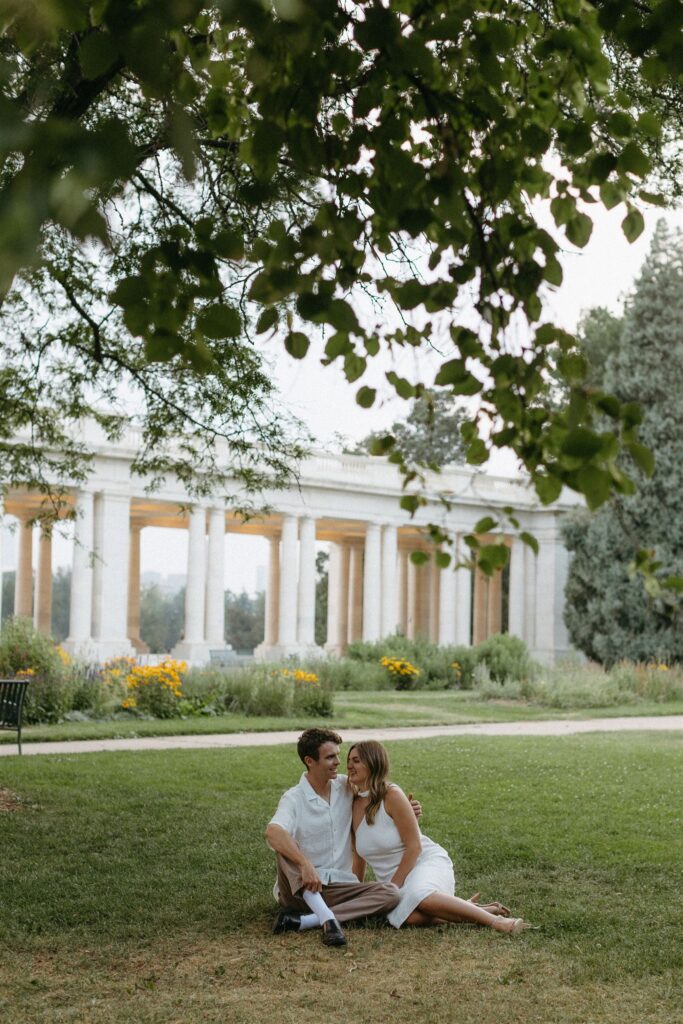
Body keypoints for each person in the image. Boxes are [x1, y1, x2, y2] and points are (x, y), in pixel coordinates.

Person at [348, 740, 532, 934]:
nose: (350, 766)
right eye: (348, 760)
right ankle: (469, 909)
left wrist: (391, 887)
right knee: (408, 918)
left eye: (356, 760)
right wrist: (355, 893)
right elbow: (358, 857)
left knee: (422, 897)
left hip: (422, 863)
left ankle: (497, 922)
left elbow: (414, 847)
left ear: (373, 762)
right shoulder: (352, 804)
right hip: (393, 878)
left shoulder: (392, 795)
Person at [265, 728, 421, 947]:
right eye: (330, 757)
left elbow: (377, 794)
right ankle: (328, 920)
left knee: (391, 893)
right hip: (300, 889)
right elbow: (272, 832)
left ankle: (307, 921)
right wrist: (305, 864)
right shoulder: (294, 798)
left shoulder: (347, 787)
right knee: (284, 841)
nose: (339, 762)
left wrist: (405, 809)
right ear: (310, 761)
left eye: (338, 755)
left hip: (340, 889)